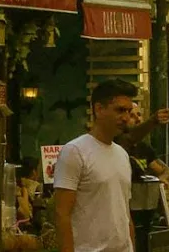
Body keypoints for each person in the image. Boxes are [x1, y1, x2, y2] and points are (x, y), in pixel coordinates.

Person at [54, 80, 139, 252]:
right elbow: (62, 214)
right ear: (99, 109)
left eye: (128, 111)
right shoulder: (75, 151)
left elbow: (124, 213)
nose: (126, 117)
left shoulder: (122, 154)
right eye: (120, 110)